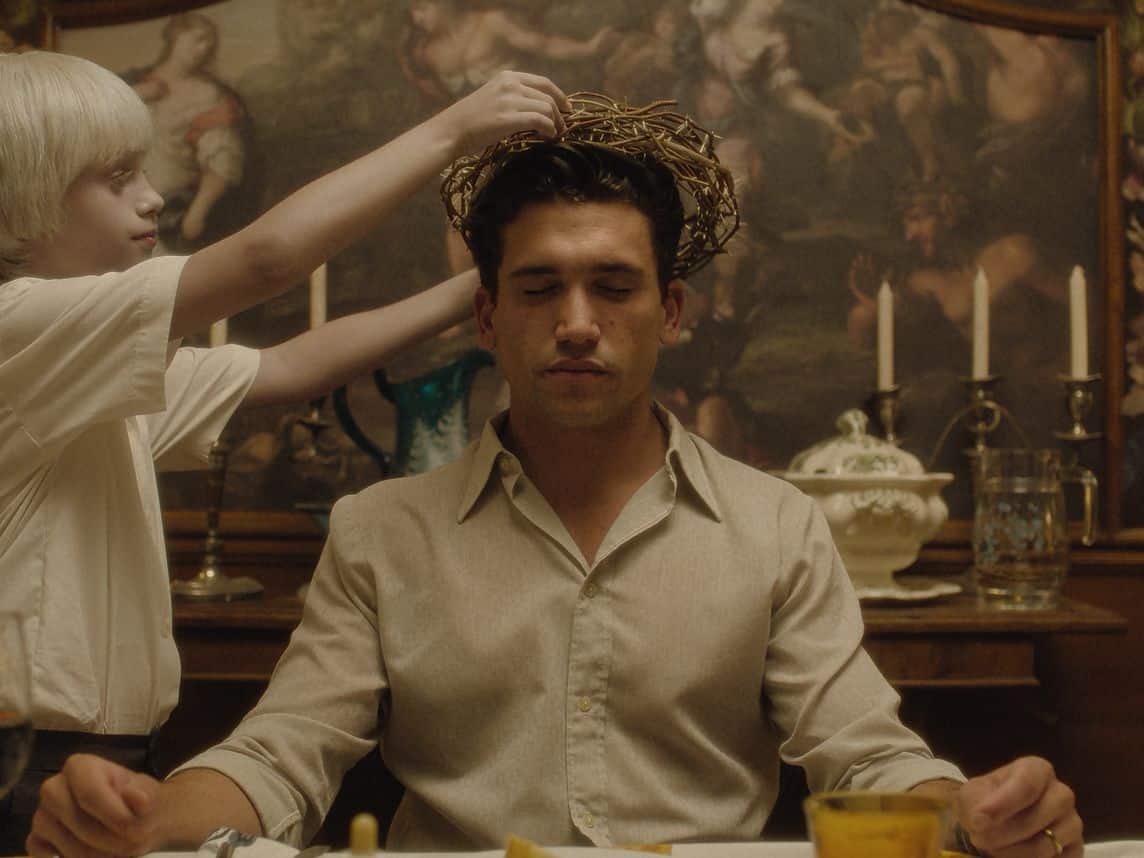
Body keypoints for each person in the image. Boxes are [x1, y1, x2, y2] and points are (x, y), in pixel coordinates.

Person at [27, 95, 1081, 858]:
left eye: (613, 287)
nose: (577, 323)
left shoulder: (775, 525)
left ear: (670, 313)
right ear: (487, 316)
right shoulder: (382, 529)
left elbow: (863, 752)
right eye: (539, 289)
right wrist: (152, 816)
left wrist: (973, 811)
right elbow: (284, 752)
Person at [0, 49, 569, 851]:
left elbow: (292, 366)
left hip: (106, 759)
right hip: (26, 765)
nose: (152, 195)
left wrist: (489, 282)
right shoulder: (17, 331)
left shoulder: (80, 375)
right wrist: (453, 129)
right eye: (117, 176)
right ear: (23, 199)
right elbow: (267, 259)